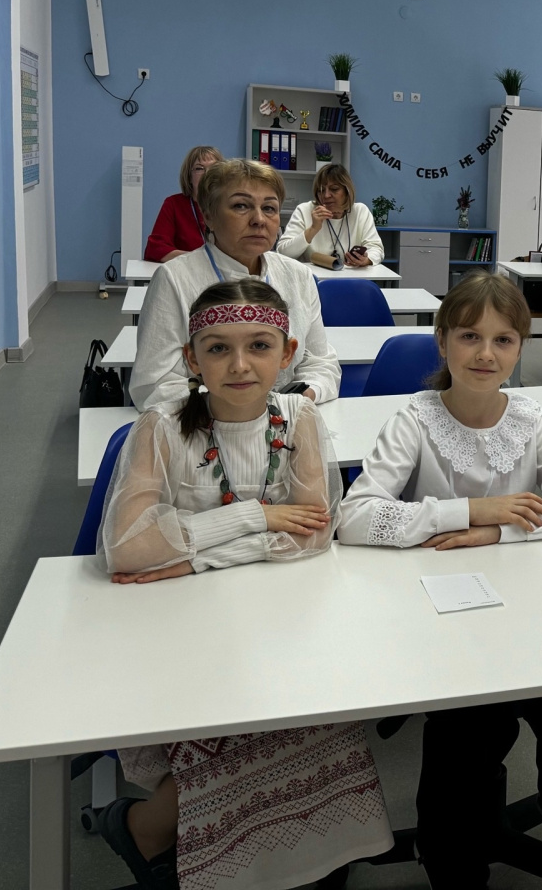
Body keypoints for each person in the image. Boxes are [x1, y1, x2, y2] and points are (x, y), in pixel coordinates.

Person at [335, 273, 542, 890]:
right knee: (469, 730)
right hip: (445, 617)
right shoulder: (414, 419)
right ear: (442, 341)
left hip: (529, 610)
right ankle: (452, 856)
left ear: (521, 347)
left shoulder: (533, 418)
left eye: (503, 340)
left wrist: (502, 532)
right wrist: (468, 511)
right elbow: (355, 517)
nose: (485, 354)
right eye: (469, 336)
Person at [96, 278, 392, 890]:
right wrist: (257, 516)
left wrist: (193, 556)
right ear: (191, 359)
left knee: (314, 704)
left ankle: (309, 861)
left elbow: (313, 532)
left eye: (259, 345)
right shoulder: (161, 428)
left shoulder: (299, 418)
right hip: (181, 624)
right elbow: (126, 548)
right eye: (218, 349)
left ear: (288, 355)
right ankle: (217, 857)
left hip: (278, 613)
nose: (239, 365)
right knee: (236, 715)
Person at [133, 159, 340, 410]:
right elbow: (154, 385)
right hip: (205, 424)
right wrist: (240, 409)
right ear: (209, 216)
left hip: (286, 418)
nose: (259, 220)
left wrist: (305, 394)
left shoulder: (298, 276)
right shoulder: (175, 278)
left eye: (269, 208)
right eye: (241, 206)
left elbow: (321, 363)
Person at [275, 164, 384, 269]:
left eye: (334, 189)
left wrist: (366, 260)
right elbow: (283, 253)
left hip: (351, 277)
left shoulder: (360, 211)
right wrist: (313, 229)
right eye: (321, 190)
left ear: (347, 191)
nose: (326, 195)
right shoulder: (304, 210)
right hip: (313, 278)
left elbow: (376, 248)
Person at [144, 146, 221, 263]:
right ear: (189, 176)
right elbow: (154, 249)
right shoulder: (174, 204)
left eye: (214, 168)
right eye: (199, 168)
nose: (207, 174)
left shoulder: (229, 206)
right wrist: (199, 259)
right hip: (187, 270)